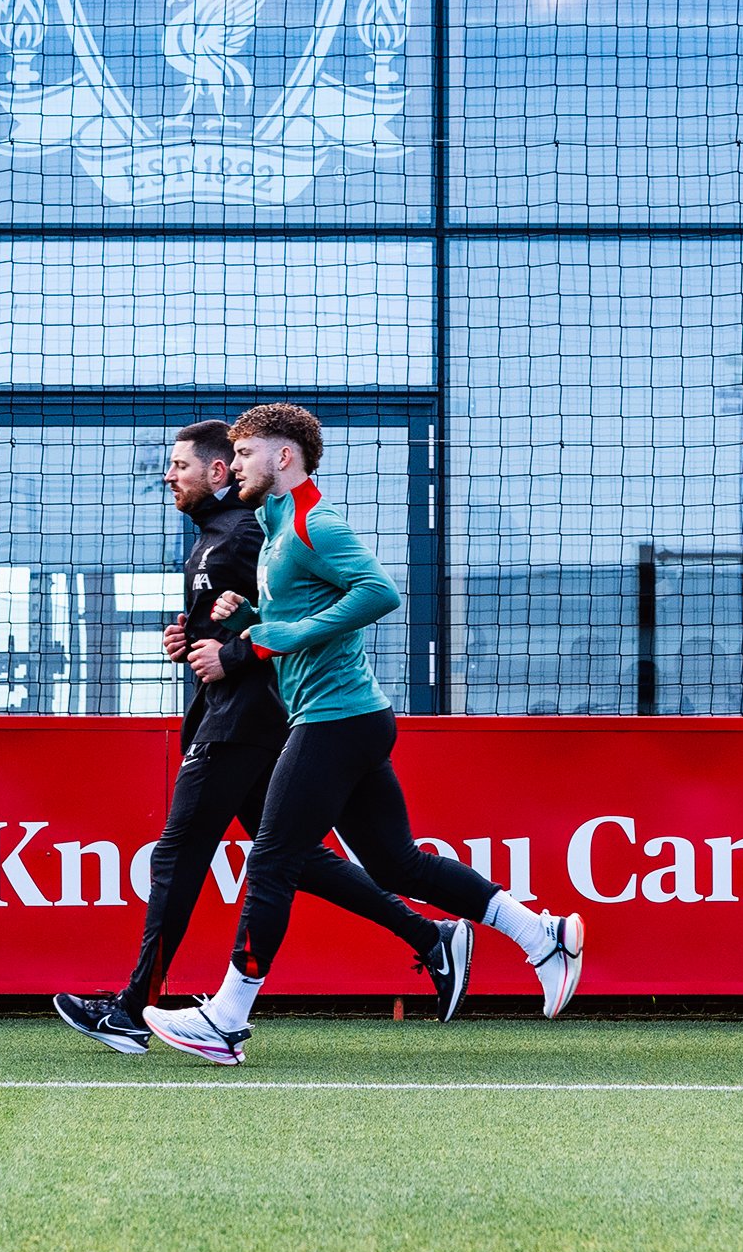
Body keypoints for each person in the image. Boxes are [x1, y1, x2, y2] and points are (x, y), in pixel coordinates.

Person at [143, 402, 585, 1067]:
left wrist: (271, 637)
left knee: (271, 861)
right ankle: (541, 935)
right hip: (346, 715)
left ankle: (227, 1018)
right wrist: (245, 616)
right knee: (395, 864)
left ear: (283, 457)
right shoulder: (279, 524)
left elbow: (378, 593)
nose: (232, 468)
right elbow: (303, 609)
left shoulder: (317, 523)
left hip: (336, 719)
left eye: (243, 455)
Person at [52, 419, 471, 1055]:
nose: (169, 476)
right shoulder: (224, 534)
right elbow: (250, 614)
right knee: (296, 859)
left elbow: (299, 612)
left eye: (182, 466)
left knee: (181, 851)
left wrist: (239, 653)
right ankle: (429, 938)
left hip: (247, 721)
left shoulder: (258, 528)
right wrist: (192, 638)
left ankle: (136, 1008)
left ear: (222, 471)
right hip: (248, 715)